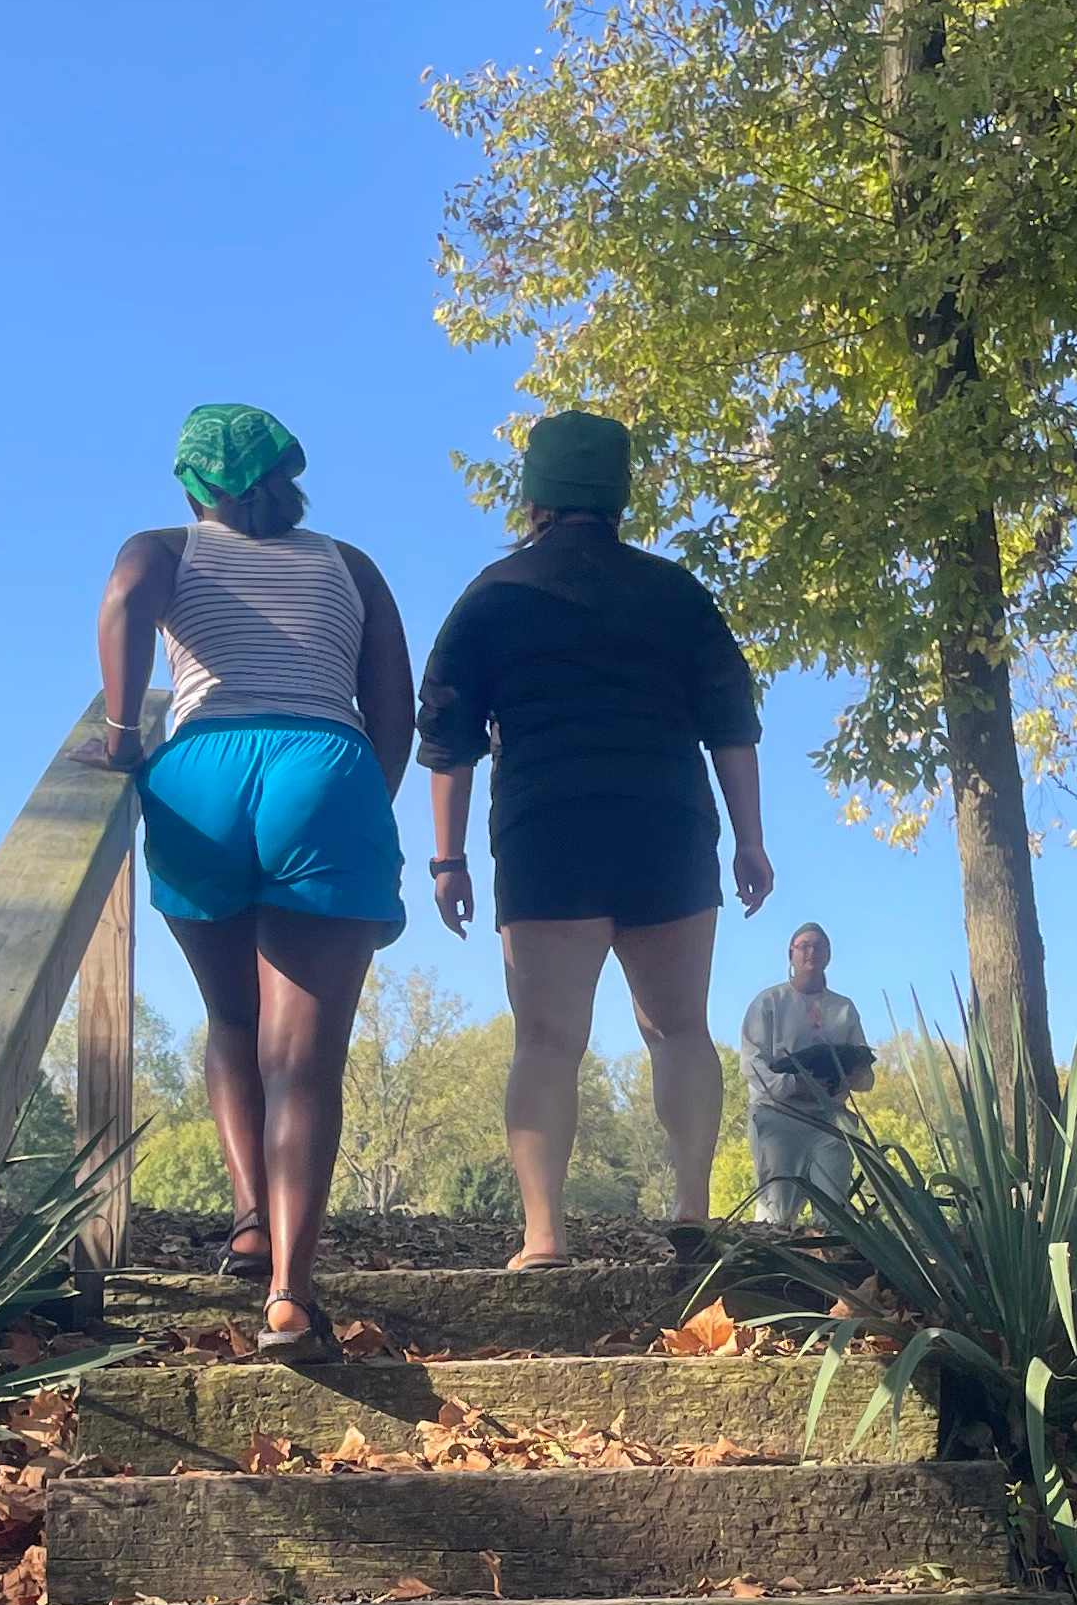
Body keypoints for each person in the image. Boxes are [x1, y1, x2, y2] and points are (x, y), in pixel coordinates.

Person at [91, 401, 412, 1360]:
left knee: (232, 1017)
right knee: (302, 1057)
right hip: (324, 764)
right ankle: (289, 1300)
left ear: (193, 486)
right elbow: (392, 702)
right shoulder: (350, 565)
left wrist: (122, 736)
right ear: (288, 476)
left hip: (201, 772)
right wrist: (361, 801)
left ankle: (246, 1224)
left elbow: (124, 601)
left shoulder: (165, 546)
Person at [415, 407, 772, 1267]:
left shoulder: (493, 595)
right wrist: (750, 841)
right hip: (667, 823)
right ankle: (691, 1210)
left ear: (534, 495)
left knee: (546, 1040)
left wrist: (448, 858)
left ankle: (544, 1236)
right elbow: (731, 726)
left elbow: (448, 737)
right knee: (679, 1028)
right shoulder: (676, 593)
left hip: (548, 829)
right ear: (620, 494)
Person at [741, 922, 875, 1224]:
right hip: (779, 1115)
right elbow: (752, 1063)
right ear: (791, 954)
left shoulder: (844, 1009)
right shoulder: (768, 1002)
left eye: (819, 946)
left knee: (834, 1209)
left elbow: (864, 1072)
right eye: (804, 946)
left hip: (830, 1119)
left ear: (829, 955)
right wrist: (794, 1083)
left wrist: (847, 1077)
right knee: (777, 1209)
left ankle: (830, 1248)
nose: (811, 952)